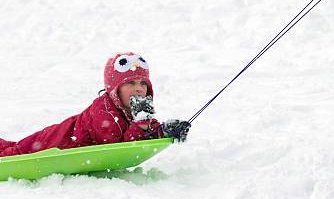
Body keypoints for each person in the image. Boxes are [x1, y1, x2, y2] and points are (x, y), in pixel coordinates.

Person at [0, 52, 192, 157]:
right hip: (59, 140)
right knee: (16, 152)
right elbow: (118, 150)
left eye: (143, 83)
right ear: (114, 89)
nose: (139, 89)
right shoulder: (105, 113)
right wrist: (141, 123)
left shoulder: (135, 111)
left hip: (64, 137)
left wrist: (165, 131)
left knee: (17, 147)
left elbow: (146, 132)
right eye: (130, 83)